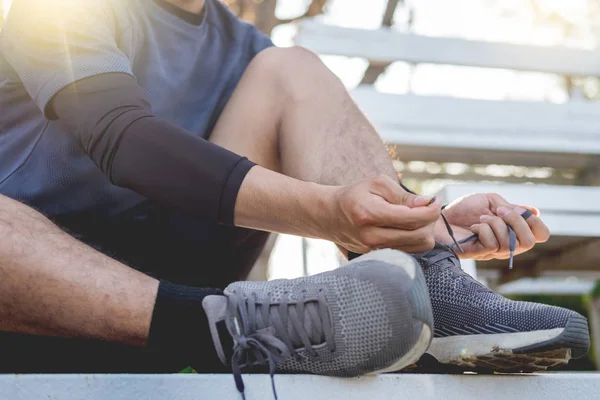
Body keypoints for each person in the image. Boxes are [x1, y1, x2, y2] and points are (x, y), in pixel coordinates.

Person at [0, 0, 589, 396]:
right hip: (33, 302)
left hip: (179, 284)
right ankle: (221, 328)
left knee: (292, 69)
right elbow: (122, 140)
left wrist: (422, 222)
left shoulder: (247, 49)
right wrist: (327, 212)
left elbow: (328, 175)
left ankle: (434, 288)